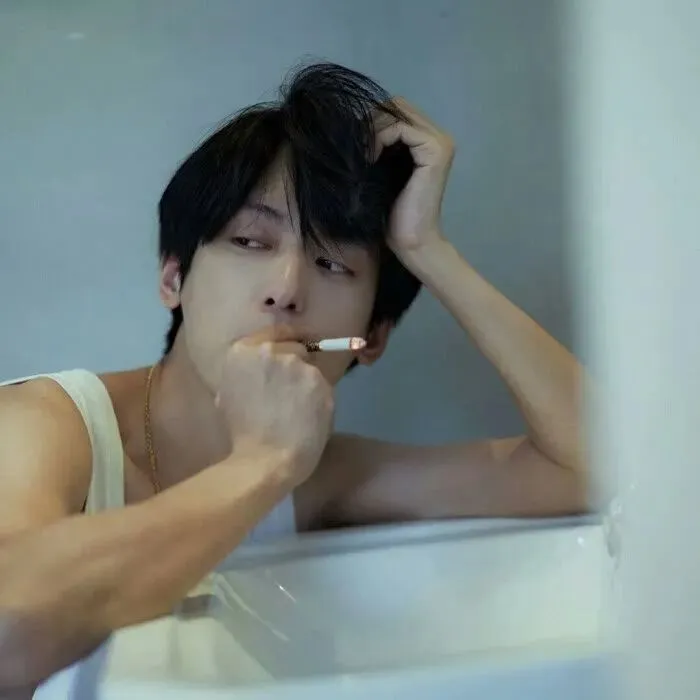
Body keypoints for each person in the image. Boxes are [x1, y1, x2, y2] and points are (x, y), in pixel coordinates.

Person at [0, 62, 586, 693]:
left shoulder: (324, 478)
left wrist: (425, 248)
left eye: (333, 263)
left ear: (371, 337)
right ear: (174, 278)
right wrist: (263, 463)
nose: (285, 290)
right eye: (251, 242)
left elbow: (593, 467)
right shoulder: (44, 423)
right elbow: (9, 631)